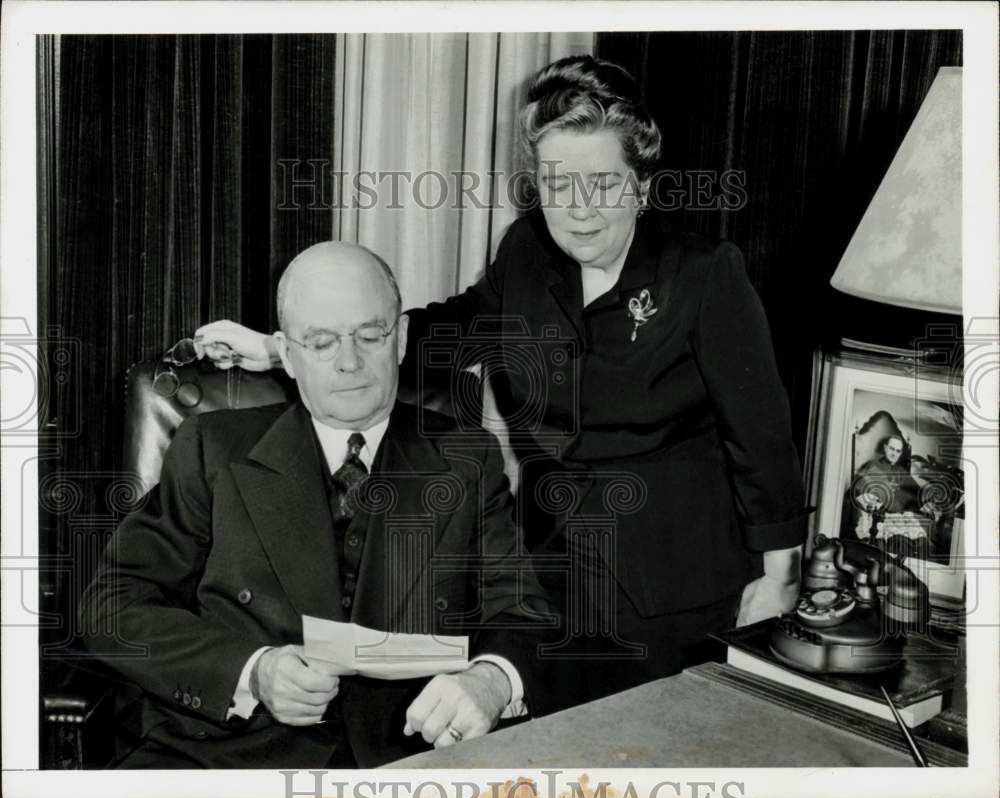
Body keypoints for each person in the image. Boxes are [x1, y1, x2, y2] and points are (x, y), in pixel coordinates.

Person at [195, 55, 807, 708]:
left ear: (641, 186)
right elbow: (450, 331)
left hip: (675, 588)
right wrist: (285, 348)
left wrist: (778, 585)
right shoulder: (526, 252)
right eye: (556, 182)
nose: (578, 209)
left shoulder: (705, 274)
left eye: (601, 182)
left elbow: (762, 441)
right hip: (549, 571)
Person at [80, 242, 552, 768]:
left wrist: (491, 681)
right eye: (322, 342)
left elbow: (522, 612)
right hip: (229, 755)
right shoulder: (211, 448)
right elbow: (113, 606)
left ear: (399, 340)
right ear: (287, 351)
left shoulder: (467, 458)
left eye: (370, 336)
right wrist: (252, 670)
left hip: (412, 758)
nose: (350, 362)